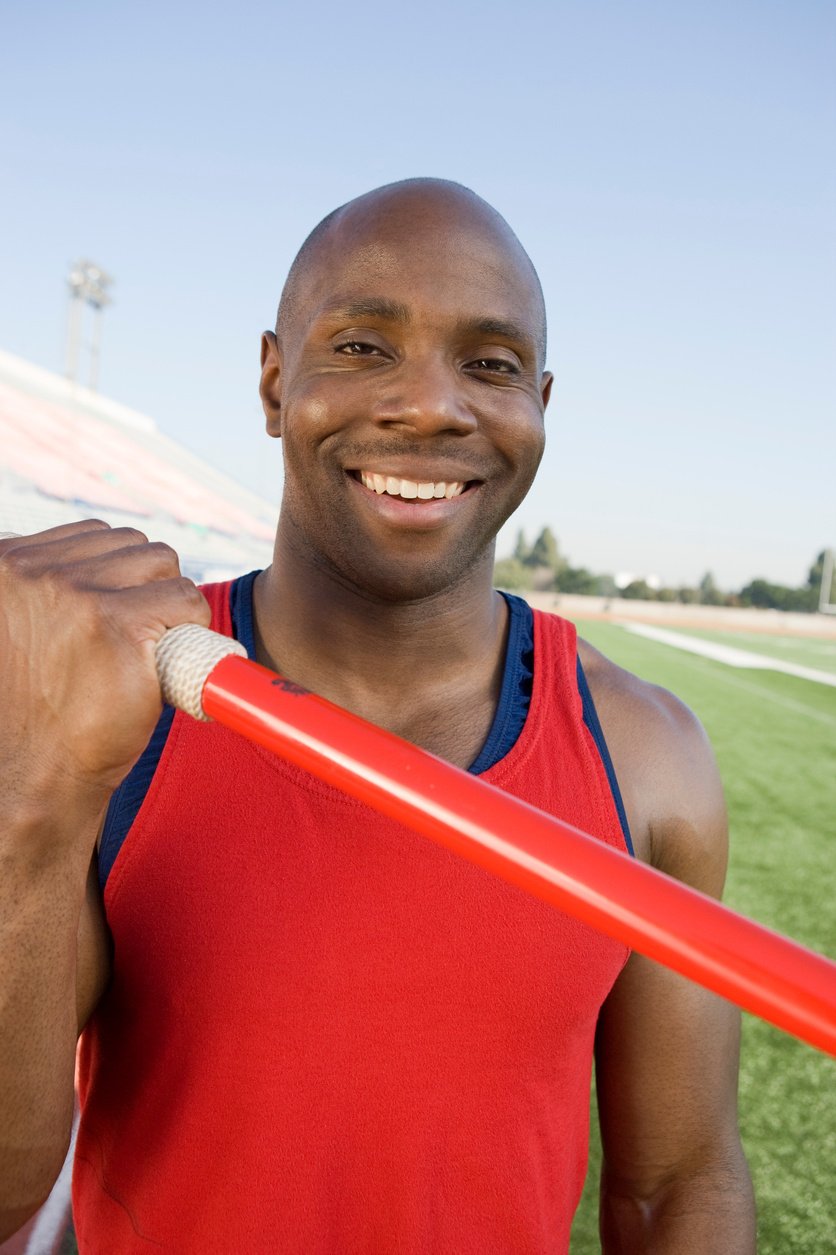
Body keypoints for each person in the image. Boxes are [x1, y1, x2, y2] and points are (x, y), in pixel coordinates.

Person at [0, 179, 755, 1252]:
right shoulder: (109, 705)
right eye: (361, 346)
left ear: (540, 403)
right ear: (273, 382)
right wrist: (27, 799)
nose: (430, 405)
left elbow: (677, 1180)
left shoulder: (646, 759)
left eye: (489, 364)